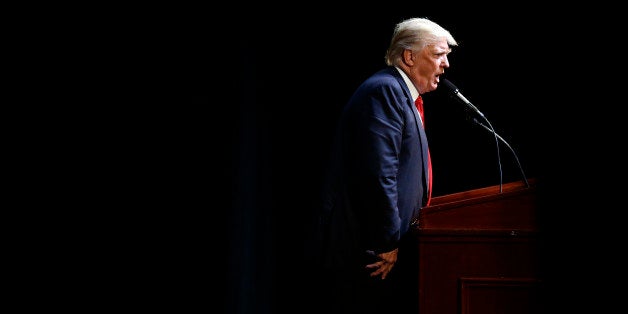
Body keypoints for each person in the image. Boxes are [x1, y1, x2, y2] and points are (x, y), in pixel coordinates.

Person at [316, 17, 458, 314]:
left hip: (385, 247)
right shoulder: (386, 90)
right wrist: (387, 241)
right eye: (438, 54)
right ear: (409, 56)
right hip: (370, 252)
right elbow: (379, 174)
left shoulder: (404, 96)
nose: (445, 64)